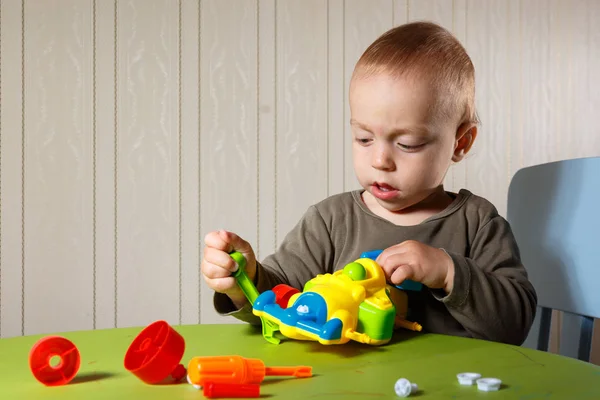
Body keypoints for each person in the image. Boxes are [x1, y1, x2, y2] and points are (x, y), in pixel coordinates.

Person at [200, 21, 537, 345]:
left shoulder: (477, 223)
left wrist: (447, 271)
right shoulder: (330, 222)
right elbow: (279, 302)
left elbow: (514, 324)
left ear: (460, 143)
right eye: (364, 138)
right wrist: (243, 278)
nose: (380, 160)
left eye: (407, 144)